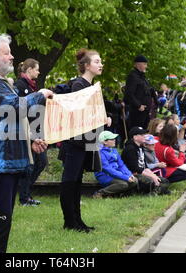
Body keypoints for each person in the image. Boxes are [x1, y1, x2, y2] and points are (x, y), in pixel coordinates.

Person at [0, 34, 52, 253]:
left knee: (3, 221)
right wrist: (40, 94)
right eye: (7, 53)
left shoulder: (0, 83)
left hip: (7, 161)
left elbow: (10, 119)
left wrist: (30, 139)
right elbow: (12, 107)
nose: (12, 56)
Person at [59, 48, 111, 233]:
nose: (101, 64)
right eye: (97, 61)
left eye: (100, 61)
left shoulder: (90, 86)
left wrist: (104, 117)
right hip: (75, 142)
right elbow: (77, 114)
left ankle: (77, 221)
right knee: (70, 181)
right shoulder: (78, 85)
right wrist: (99, 116)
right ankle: (70, 222)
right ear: (86, 65)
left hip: (86, 140)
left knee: (77, 181)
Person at [14, 58, 47, 206]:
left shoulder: (32, 86)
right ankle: (24, 197)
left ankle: (26, 193)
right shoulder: (19, 85)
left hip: (36, 129)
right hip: (27, 130)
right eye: (36, 69)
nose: (39, 72)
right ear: (29, 70)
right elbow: (20, 108)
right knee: (31, 164)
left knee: (41, 162)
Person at [121, 127, 171, 195]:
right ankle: (155, 192)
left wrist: (153, 175)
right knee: (151, 181)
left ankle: (157, 191)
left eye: (144, 134)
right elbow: (135, 168)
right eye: (141, 135)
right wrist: (152, 177)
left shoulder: (140, 147)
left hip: (142, 172)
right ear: (135, 137)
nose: (144, 136)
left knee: (165, 181)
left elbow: (145, 166)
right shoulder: (130, 149)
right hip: (133, 174)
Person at [93, 131, 138, 198]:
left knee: (134, 181)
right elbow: (108, 169)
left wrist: (129, 174)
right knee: (123, 184)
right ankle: (100, 193)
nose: (114, 140)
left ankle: (117, 194)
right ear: (105, 142)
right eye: (112, 139)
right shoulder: (100, 153)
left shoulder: (114, 150)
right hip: (104, 175)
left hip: (115, 173)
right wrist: (125, 177)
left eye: (114, 138)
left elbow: (121, 165)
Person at [124, 55, 157, 130]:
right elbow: (129, 94)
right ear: (138, 64)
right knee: (137, 132)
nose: (146, 66)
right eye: (145, 64)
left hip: (145, 111)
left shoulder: (142, 77)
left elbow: (147, 91)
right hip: (137, 112)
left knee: (144, 132)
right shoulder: (133, 76)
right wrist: (138, 105)